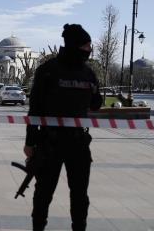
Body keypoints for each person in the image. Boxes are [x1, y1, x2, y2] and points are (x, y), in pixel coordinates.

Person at [23, 24, 102, 231]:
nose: (89, 50)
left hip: (61, 142)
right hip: (59, 143)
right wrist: (30, 143)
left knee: (52, 195)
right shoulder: (86, 74)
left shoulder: (48, 70)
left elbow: (35, 110)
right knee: (59, 195)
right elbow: (36, 110)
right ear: (76, 46)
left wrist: (30, 142)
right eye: (86, 46)